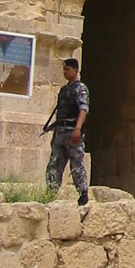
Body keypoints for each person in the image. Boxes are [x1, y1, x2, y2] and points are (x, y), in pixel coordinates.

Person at [45, 58, 90, 206]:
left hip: (72, 131)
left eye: (68, 69)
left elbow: (83, 109)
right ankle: (51, 192)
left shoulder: (80, 88)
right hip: (60, 132)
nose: (65, 72)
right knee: (54, 164)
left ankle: (83, 193)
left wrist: (77, 129)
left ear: (75, 71)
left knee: (76, 164)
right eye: (64, 69)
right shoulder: (64, 90)